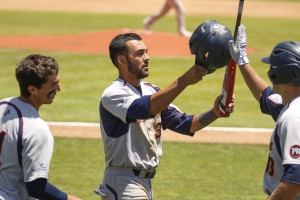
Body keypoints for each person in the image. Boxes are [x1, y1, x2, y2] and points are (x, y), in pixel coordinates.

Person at [95, 32, 234, 200]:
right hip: (123, 182)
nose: (147, 57)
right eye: (139, 53)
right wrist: (183, 81)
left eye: (146, 51)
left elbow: (186, 124)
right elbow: (146, 109)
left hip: (143, 183)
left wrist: (215, 113)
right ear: (122, 60)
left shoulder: (151, 90)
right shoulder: (114, 94)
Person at [228, 25, 300, 199]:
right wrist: (242, 61)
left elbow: (296, 178)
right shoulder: (290, 107)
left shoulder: (293, 117)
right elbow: (265, 97)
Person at [0, 54, 82, 200]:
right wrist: (68, 198)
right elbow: (36, 187)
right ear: (32, 89)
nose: (59, 88)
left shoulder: (3, 104)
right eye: (53, 84)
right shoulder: (37, 129)